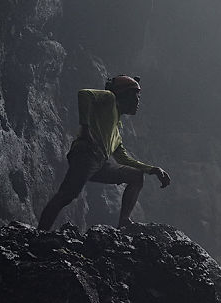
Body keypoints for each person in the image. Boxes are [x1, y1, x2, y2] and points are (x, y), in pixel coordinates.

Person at [37, 74, 171, 230]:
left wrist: (153, 170)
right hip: (86, 155)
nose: (138, 101)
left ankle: (124, 221)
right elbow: (84, 94)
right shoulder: (110, 99)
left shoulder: (116, 131)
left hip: (100, 163)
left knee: (135, 176)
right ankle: (40, 233)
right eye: (135, 95)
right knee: (66, 195)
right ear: (124, 95)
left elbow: (123, 158)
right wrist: (85, 128)